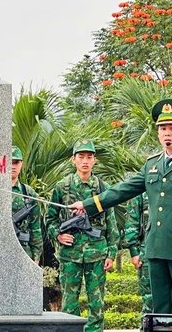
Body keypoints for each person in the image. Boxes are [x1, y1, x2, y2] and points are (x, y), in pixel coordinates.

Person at [70, 99, 172, 314]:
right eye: (163, 128)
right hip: (155, 247)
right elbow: (124, 189)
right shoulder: (152, 164)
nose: (167, 133)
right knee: (160, 311)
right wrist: (89, 205)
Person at [45, 139, 118, 332]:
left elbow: (111, 223)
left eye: (89, 157)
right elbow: (49, 219)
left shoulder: (103, 188)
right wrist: (58, 236)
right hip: (70, 254)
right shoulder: (62, 187)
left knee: (97, 303)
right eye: (81, 157)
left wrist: (111, 253)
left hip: (97, 253)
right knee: (69, 303)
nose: (85, 161)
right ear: (73, 160)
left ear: (94, 160)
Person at [123, 193, 153, 325]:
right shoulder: (142, 192)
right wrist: (134, 252)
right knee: (149, 300)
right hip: (146, 252)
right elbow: (131, 220)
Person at [10, 145, 43, 264]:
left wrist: (36, 256)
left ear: (21, 164)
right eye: (10, 162)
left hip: (23, 249)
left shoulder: (28, 193)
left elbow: (35, 227)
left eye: (16, 162)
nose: (13, 166)